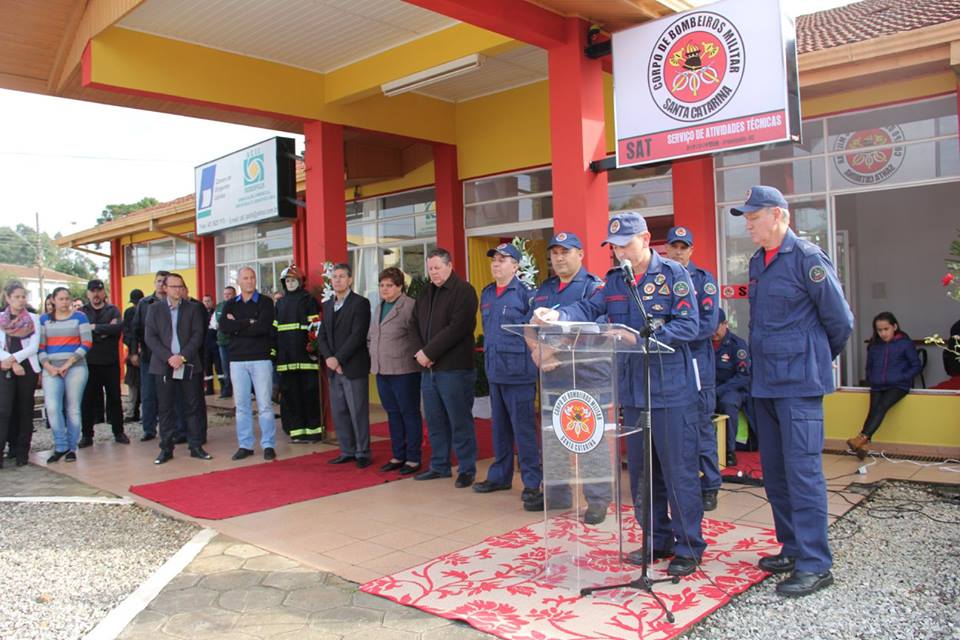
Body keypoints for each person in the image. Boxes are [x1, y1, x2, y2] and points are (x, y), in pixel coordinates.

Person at [534, 212, 704, 578]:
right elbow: (588, 308)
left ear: (645, 238)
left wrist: (639, 339)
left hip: (670, 390)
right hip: (634, 392)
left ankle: (688, 545)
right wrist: (557, 313)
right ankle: (656, 540)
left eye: (625, 244)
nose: (619, 253)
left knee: (678, 473)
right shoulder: (614, 281)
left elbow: (690, 325)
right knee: (643, 475)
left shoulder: (673, 275)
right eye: (613, 246)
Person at [731, 185, 853, 597]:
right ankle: (793, 546)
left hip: (798, 386)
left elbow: (840, 321)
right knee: (777, 474)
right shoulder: (758, 262)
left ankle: (816, 564)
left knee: (803, 475)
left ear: (779, 215)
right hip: (764, 384)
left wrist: (812, 358)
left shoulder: (806, 259)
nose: (747, 224)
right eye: (746, 218)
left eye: (753, 216)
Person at [530, 231, 610, 523]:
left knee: (588, 437)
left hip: (586, 375)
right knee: (553, 435)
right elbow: (530, 326)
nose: (559, 258)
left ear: (581, 254)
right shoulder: (545, 288)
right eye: (555, 253)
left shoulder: (594, 288)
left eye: (566, 252)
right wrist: (537, 351)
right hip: (553, 376)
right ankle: (558, 493)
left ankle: (598, 498)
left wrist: (552, 350)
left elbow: (596, 328)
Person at [474, 243, 541, 508]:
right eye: (494, 260)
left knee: (524, 431)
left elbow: (532, 334)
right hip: (495, 372)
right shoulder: (488, 294)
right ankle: (500, 476)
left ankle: (533, 482)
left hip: (519, 373)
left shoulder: (526, 294)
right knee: (499, 429)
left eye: (503, 260)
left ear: (516, 265)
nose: (496, 264)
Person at [664, 226, 721, 512]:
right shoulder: (660, 279)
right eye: (673, 247)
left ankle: (710, 484)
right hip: (669, 364)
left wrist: (673, 333)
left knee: (700, 424)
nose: (677, 252)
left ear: (691, 250)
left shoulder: (703, 280)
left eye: (683, 247)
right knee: (676, 427)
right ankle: (681, 482)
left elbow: (708, 325)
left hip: (697, 361)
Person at [413, 248, 479, 488]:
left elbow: (458, 328)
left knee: (459, 421)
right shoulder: (425, 293)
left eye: (437, 268)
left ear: (450, 266)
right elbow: (414, 326)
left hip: (455, 369)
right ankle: (439, 465)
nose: (433, 273)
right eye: (430, 269)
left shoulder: (464, 291)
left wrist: (429, 352)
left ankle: (466, 469)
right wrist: (421, 354)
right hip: (428, 371)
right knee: (434, 420)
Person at [145, 273, 209, 464]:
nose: (178, 290)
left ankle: (196, 446)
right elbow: (150, 337)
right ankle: (166, 449)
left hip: (188, 364)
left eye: (180, 286)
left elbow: (198, 335)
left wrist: (182, 357)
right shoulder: (154, 309)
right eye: (174, 287)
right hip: (163, 365)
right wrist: (169, 358)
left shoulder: (193, 308)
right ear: (165, 288)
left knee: (192, 405)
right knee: (165, 408)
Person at [368, 267, 423, 474]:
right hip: (382, 370)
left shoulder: (410, 306)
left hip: (404, 370)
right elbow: (372, 335)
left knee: (409, 413)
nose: (385, 289)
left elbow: (417, 336)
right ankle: (398, 454)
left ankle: (413, 458)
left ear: (400, 286)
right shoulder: (378, 306)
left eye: (389, 285)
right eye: (381, 285)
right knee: (392, 413)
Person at [219, 267, 277, 461]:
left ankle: (268, 444)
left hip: (261, 359)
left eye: (252, 277)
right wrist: (249, 322)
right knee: (242, 406)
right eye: (245, 278)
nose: (250, 281)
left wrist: (238, 325)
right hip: (237, 361)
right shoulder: (230, 304)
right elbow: (224, 327)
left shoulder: (266, 302)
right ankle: (245, 445)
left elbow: (264, 327)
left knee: (265, 405)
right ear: (239, 282)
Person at [317, 263, 372, 467]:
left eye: (342, 276)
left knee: (357, 411)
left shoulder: (360, 303)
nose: (338, 280)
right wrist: (330, 358)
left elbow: (357, 335)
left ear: (350, 280)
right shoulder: (328, 305)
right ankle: (347, 450)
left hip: (353, 367)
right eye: (334, 277)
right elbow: (322, 336)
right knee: (339, 411)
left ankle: (362, 452)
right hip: (333, 368)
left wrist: (338, 359)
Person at [846, 312, 922, 459]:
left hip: (898, 386)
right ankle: (864, 445)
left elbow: (916, 366)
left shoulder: (905, 344)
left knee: (881, 407)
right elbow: (869, 366)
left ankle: (860, 438)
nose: (883, 333)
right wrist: (871, 379)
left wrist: (902, 377)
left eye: (886, 329)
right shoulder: (874, 345)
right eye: (879, 330)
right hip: (877, 385)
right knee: (873, 412)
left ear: (894, 327)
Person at [39, 287, 92, 462]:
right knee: (53, 408)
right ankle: (60, 445)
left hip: (75, 368)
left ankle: (71, 447)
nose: (64, 302)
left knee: (73, 408)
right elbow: (40, 347)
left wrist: (68, 363)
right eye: (61, 299)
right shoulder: (44, 319)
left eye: (67, 299)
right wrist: (48, 366)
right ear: (53, 300)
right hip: (51, 369)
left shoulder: (80, 317)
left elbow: (86, 343)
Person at [275, 265, 324, 443]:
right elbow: (275, 330)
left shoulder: (308, 301)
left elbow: (315, 326)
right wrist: (274, 352)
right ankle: (297, 431)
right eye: (287, 281)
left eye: (293, 280)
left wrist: (314, 347)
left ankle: (314, 431)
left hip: (306, 358)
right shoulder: (279, 303)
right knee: (291, 396)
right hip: (286, 360)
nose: (290, 283)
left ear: (300, 282)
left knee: (310, 394)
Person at [79, 279, 127, 447]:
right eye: (92, 291)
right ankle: (86, 435)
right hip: (89, 363)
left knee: (114, 398)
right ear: (88, 294)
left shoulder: (113, 310)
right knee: (87, 400)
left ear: (104, 292)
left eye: (99, 290)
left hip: (110, 362)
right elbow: (80, 332)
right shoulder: (81, 312)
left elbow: (117, 329)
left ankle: (119, 432)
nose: (96, 294)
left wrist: (94, 328)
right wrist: (104, 328)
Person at [0, 282, 40, 468]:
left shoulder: (33, 318)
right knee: (6, 410)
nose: (21, 300)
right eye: (16, 297)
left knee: (25, 409)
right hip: (6, 367)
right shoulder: (1, 319)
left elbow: (33, 346)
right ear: (7, 298)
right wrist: (12, 362)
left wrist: (15, 360)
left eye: (23, 296)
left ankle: (22, 452)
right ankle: (9, 448)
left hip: (28, 369)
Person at [132, 270, 170, 441]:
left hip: (170, 356)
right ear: (154, 283)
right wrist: (133, 351)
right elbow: (135, 329)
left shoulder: (175, 302)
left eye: (164, 281)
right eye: (159, 281)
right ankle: (149, 429)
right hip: (148, 355)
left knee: (170, 395)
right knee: (148, 394)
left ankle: (170, 428)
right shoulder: (144, 303)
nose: (161, 284)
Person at [713, 308, 752, 466]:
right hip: (711, 388)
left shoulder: (737, 345)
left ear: (725, 324)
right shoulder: (703, 344)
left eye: (716, 328)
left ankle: (729, 451)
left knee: (727, 403)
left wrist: (718, 391)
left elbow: (743, 376)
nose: (713, 333)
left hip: (733, 389)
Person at [122, 289, 144, 423]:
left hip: (146, 352)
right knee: (132, 384)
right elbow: (126, 333)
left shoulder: (148, 310)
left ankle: (143, 412)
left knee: (145, 385)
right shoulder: (129, 313)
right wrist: (134, 349)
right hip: (132, 352)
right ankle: (131, 412)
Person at [211, 285, 236, 398]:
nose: (226, 296)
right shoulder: (219, 307)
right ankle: (227, 391)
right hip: (222, 342)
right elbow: (214, 324)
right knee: (225, 368)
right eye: (225, 294)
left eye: (229, 294)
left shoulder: (239, 305)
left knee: (239, 368)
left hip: (236, 342)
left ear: (234, 294)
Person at [201, 294, 224, 395]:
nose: (206, 303)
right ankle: (209, 388)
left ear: (212, 301)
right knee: (207, 367)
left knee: (219, 367)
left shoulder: (216, 313)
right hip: (205, 345)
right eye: (205, 301)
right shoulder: (200, 313)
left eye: (208, 301)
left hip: (215, 344)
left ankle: (224, 388)